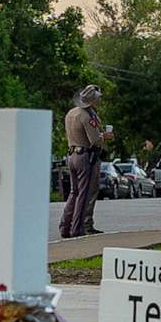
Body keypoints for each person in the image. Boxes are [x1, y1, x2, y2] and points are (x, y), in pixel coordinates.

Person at [61, 84, 108, 239]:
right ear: (92, 101)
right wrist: (105, 136)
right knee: (84, 194)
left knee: (74, 192)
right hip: (85, 157)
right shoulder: (87, 116)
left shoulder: (70, 113)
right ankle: (77, 229)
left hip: (71, 154)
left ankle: (65, 226)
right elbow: (94, 140)